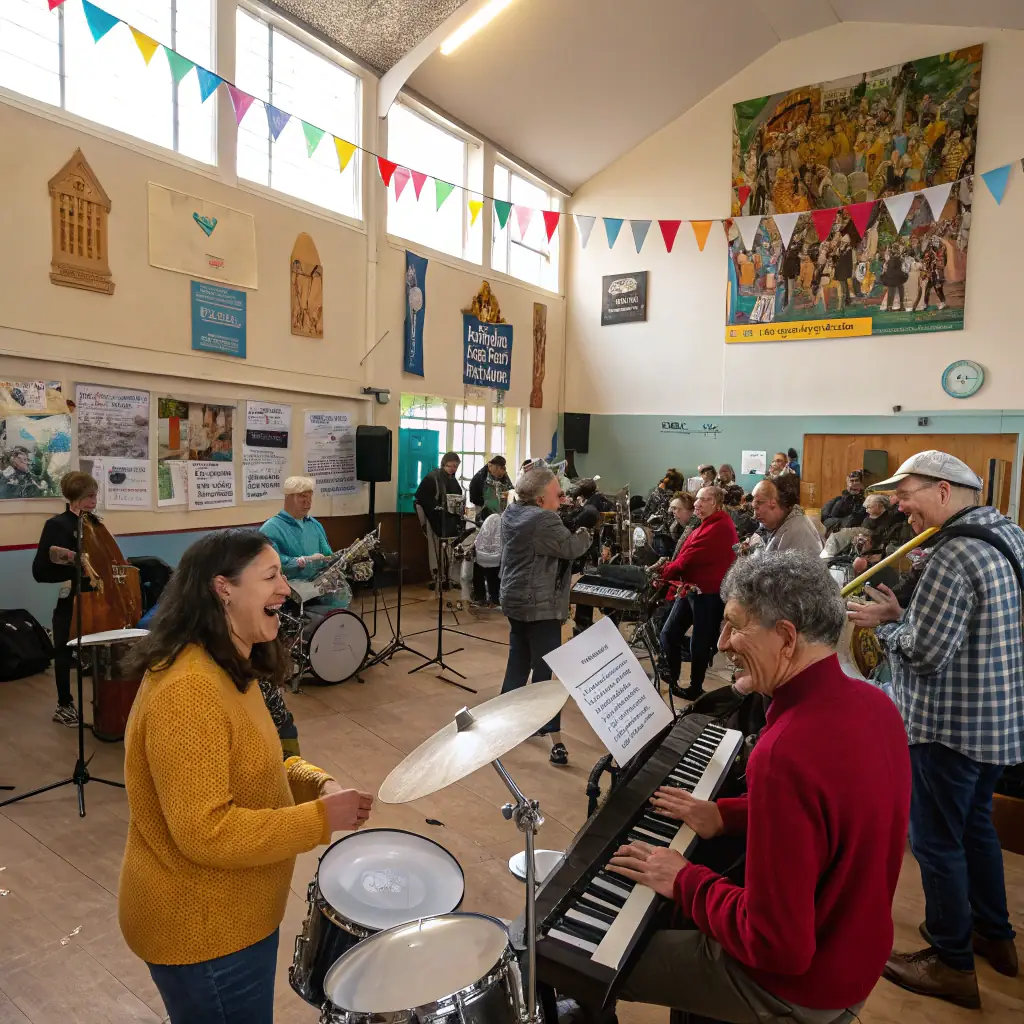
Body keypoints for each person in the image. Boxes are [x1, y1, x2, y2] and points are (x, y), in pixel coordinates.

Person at [610, 552, 911, 1024]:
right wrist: (725, 814)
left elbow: (777, 946)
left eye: (734, 626)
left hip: (800, 985)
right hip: (856, 952)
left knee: (593, 958)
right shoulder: (876, 706)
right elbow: (825, 810)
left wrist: (685, 879)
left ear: (786, 638)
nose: (722, 643)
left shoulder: (786, 750)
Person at [118, 529, 373, 1024]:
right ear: (224, 589)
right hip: (202, 931)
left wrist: (314, 783)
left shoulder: (226, 664)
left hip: (233, 916)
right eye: (271, 576)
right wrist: (319, 819)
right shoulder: (189, 690)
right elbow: (206, 832)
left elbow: (257, 765)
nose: (285, 588)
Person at [848, 451, 1023, 1006]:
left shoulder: (952, 554)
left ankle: (951, 962)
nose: (900, 506)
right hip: (995, 719)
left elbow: (925, 655)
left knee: (935, 841)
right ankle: (993, 935)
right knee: (975, 827)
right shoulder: (1009, 534)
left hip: (948, 725)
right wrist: (910, 619)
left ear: (944, 491)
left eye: (907, 495)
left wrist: (888, 624)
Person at [499, 464, 593, 766]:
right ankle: (552, 734)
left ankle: (503, 722)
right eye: (556, 494)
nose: (561, 497)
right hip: (539, 606)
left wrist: (562, 511)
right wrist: (586, 529)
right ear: (540, 499)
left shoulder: (511, 512)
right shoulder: (544, 520)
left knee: (518, 660)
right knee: (544, 672)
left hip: (514, 599)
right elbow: (572, 547)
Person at [31, 471, 103, 726]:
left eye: (95, 495)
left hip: (94, 598)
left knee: (99, 649)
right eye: (89, 496)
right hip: (70, 598)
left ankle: (104, 704)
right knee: (63, 650)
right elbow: (40, 571)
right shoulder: (57, 525)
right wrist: (75, 565)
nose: (94, 501)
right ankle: (64, 705)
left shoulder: (94, 523)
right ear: (75, 497)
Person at [656, 486, 738, 701]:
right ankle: (673, 679)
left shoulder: (720, 526)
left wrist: (663, 573)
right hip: (692, 588)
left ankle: (695, 688)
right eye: (697, 499)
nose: (697, 504)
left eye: (703, 500)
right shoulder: (708, 523)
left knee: (700, 642)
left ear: (715, 503)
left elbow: (689, 557)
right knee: (669, 633)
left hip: (707, 593)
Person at [259, 477, 350, 609]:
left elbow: (328, 555)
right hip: (288, 591)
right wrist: (303, 561)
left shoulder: (314, 525)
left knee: (341, 597)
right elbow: (269, 566)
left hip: (317, 586)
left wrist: (342, 559)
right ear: (288, 497)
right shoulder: (271, 528)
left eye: (310, 497)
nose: (308, 502)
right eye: (302, 497)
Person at [415, 452, 464, 587]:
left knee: (449, 550)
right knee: (436, 549)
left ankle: (449, 577)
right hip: (434, 518)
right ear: (444, 464)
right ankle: (438, 577)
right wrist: (436, 508)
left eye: (456, 466)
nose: (453, 469)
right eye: (451, 466)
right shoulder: (432, 478)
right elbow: (421, 498)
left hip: (449, 519)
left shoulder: (452, 479)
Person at [748, 475, 822, 555]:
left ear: (774, 503)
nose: (755, 516)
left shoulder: (796, 532)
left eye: (760, 503)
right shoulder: (782, 522)